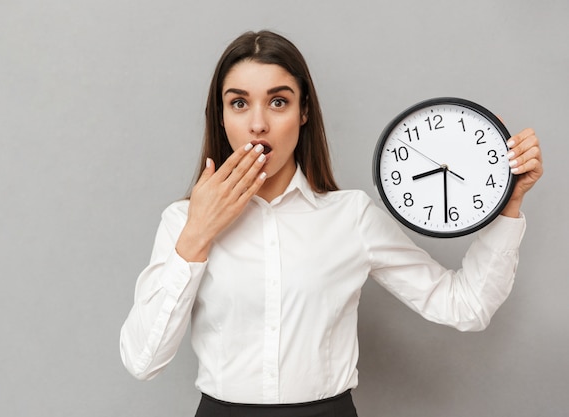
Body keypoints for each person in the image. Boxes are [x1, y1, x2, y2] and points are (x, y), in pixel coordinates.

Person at [120, 30, 543, 417]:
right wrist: (197, 234)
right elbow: (142, 360)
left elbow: (466, 306)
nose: (258, 123)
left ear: (304, 112)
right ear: (222, 114)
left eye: (279, 101)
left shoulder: (351, 217)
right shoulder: (182, 221)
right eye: (239, 102)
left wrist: (509, 203)